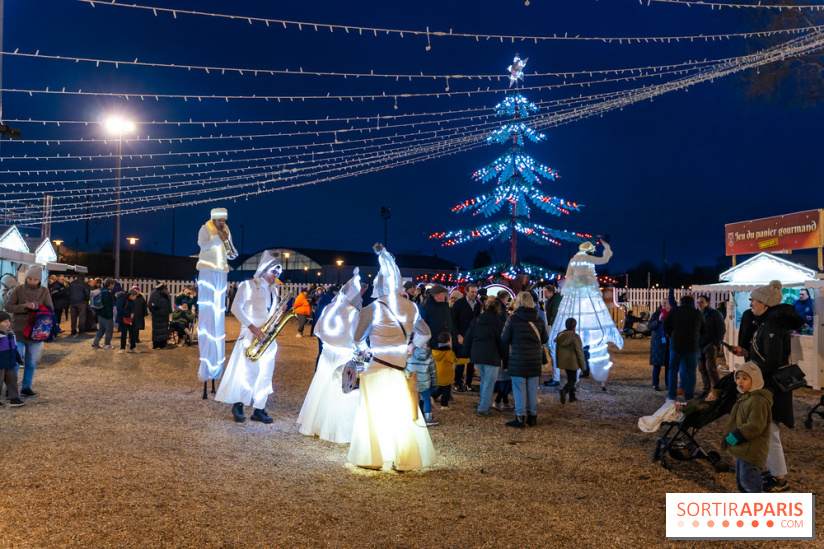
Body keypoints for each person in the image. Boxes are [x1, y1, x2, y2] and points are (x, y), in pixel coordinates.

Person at [348, 244, 434, 471]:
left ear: (378, 285)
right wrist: (411, 346)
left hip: (376, 366)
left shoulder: (374, 307)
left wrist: (365, 349)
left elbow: (356, 338)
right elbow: (426, 333)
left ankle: (372, 458)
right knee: (400, 412)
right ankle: (404, 459)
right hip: (398, 366)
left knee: (373, 412)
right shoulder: (412, 307)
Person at [730, 280, 804, 493]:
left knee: (770, 432)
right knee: (767, 431)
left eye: (754, 299)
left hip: (770, 388)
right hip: (766, 386)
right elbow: (764, 355)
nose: (751, 303)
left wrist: (748, 375)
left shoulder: (771, 326)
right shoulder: (766, 323)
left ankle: (780, 480)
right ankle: (776, 474)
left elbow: (772, 361)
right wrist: (745, 354)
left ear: (764, 302)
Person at [215, 252, 282, 424]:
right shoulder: (248, 286)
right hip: (250, 335)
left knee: (266, 373)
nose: (277, 275)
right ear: (265, 270)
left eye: (278, 272)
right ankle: (239, 405)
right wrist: (252, 327)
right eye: (274, 271)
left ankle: (259, 408)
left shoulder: (274, 290)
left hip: (268, 338)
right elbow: (235, 308)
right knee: (248, 373)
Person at [548, 241, 623, 390]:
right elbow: (604, 260)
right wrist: (607, 249)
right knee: (596, 328)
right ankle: (601, 378)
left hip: (575, 297)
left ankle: (574, 380)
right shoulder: (588, 259)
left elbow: (568, 276)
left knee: (574, 333)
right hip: (589, 296)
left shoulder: (573, 260)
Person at [298, 273, 361, 441]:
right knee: (339, 392)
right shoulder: (353, 312)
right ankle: (337, 429)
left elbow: (318, 330)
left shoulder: (328, 308)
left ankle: (316, 424)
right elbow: (356, 337)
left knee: (322, 388)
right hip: (343, 356)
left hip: (327, 354)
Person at [196, 207, 237, 384]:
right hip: (207, 270)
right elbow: (202, 245)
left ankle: (217, 360)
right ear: (214, 219)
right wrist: (216, 239)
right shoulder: (205, 229)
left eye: (225, 221)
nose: (223, 224)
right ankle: (206, 361)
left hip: (222, 271)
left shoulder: (227, 231)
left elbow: (232, 251)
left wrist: (232, 252)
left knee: (218, 310)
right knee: (208, 310)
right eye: (221, 221)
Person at [721, 362, 773, 493]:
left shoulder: (758, 401)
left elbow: (756, 425)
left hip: (753, 449)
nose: (740, 381)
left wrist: (739, 434)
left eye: (745, 378)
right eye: (738, 378)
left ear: (754, 380)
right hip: (743, 448)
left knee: (750, 482)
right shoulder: (745, 397)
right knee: (741, 481)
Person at [502, 291, 548, 428]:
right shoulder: (538, 319)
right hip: (534, 359)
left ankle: (520, 416)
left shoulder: (513, 319)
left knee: (519, 389)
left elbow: (504, 338)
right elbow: (544, 339)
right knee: (532, 389)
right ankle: (532, 416)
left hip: (518, 358)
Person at [4, 265, 53, 397]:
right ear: (26, 278)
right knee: (14, 361)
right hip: (18, 329)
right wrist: (24, 306)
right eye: (30, 278)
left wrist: (39, 308)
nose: (32, 281)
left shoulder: (44, 291)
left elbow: (50, 309)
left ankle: (26, 387)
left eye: (35, 279)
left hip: (36, 331)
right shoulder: (18, 289)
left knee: (31, 362)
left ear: (39, 280)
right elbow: (8, 306)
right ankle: (11, 388)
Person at [463, 297, 506, 417]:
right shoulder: (498, 324)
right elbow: (502, 344)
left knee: (484, 382)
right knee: (488, 383)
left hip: (477, 354)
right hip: (492, 356)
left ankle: (482, 404)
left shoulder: (476, 320)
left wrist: (465, 353)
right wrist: (506, 360)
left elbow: (468, 337)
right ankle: (483, 408)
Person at [663, 294, 706, 402]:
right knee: (691, 372)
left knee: (673, 371)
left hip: (676, 345)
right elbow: (703, 330)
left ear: (681, 302)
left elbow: (665, 326)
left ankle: (671, 395)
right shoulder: (698, 314)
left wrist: (672, 335)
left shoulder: (674, 312)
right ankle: (689, 396)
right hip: (692, 346)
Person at [419, 284, 454, 384]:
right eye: (444, 294)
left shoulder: (445, 306)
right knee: (434, 365)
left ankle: (444, 387)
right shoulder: (426, 307)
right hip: (433, 341)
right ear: (437, 295)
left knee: (446, 365)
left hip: (447, 340)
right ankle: (434, 387)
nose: (446, 296)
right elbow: (422, 325)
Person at [452, 283, 482, 392]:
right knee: (460, 361)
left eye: (475, 292)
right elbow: (454, 321)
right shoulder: (459, 304)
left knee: (471, 361)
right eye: (472, 292)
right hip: (462, 336)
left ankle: (468, 383)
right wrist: (458, 335)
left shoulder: (478, 304)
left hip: (473, 336)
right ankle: (458, 382)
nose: (474, 294)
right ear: (466, 292)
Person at [431, 332, 469, 411]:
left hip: (438, 374)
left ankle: (432, 397)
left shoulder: (434, 352)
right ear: (448, 341)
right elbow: (456, 361)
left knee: (441, 388)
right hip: (446, 375)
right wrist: (467, 360)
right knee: (446, 391)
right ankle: (444, 405)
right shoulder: (448, 353)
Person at [697, 295, 726, 397]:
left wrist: (716, 343)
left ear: (707, 303)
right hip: (699, 345)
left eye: (701, 302)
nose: (699, 304)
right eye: (698, 302)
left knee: (711, 369)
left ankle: (718, 390)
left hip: (710, 345)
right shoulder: (698, 315)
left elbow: (721, 329)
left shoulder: (715, 314)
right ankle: (706, 389)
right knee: (702, 369)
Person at [555, 318, 587, 404]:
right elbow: (579, 351)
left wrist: (558, 361)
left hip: (564, 361)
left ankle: (572, 396)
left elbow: (557, 350)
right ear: (574, 326)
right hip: (573, 362)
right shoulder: (575, 337)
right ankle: (564, 391)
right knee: (573, 380)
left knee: (570, 378)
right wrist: (583, 366)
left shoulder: (560, 335)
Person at [406, 345, 439, 426]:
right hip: (424, 381)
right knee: (426, 399)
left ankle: (413, 416)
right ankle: (428, 418)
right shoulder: (430, 355)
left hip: (411, 380)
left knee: (412, 399)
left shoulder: (409, 353)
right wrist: (434, 383)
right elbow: (433, 371)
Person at [0, 311, 26, 407]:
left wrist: (19, 359)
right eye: (4, 321)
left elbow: (14, 348)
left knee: (12, 381)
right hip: (0, 364)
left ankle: (14, 398)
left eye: (8, 321)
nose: (8, 323)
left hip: (10, 363)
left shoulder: (11, 334)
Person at [311, 284, 339, 371]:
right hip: (326, 328)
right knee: (323, 350)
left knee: (321, 350)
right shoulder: (331, 300)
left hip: (320, 327)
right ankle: (320, 368)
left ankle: (318, 368)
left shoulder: (324, 298)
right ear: (334, 292)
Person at [648, 300, 671, 391]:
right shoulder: (657, 314)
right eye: (663, 303)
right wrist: (658, 320)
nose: (664, 304)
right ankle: (655, 384)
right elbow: (649, 326)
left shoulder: (672, 314)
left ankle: (668, 385)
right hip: (658, 342)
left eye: (666, 303)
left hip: (669, 342)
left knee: (669, 365)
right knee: (657, 365)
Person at [542, 285, 562, 387]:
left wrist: (552, 329)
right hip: (555, 328)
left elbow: (554, 316)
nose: (545, 295)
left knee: (554, 353)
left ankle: (556, 378)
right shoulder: (552, 300)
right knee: (554, 353)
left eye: (546, 293)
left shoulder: (555, 301)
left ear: (551, 292)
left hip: (556, 329)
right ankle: (556, 377)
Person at [91, 279, 116, 349]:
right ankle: (107, 344)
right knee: (109, 330)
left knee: (101, 329)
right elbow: (108, 306)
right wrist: (109, 316)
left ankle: (95, 343)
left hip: (100, 314)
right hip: (106, 315)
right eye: (113, 284)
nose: (114, 286)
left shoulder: (101, 291)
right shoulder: (107, 293)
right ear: (110, 284)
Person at [148, 284, 173, 349]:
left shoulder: (165, 295)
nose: (165, 290)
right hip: (157, 316)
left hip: (164, 315)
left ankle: (163, 344)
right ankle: (156, 344)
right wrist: (155, 313)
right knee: (157, 330)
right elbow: (150, 305)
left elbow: (168, 303)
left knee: (164, 330)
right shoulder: (154, 294)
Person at [117, 290, 140, 354]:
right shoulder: (122, 299)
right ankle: (122, 348)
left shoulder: (131, 300)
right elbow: (119, 309)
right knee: (124, 333)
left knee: (133, 333)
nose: (135, 297)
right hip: (124, 319)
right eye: (135, 296)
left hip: (131, 319)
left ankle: (133, 347)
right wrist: (128, 314)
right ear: (131, 295)